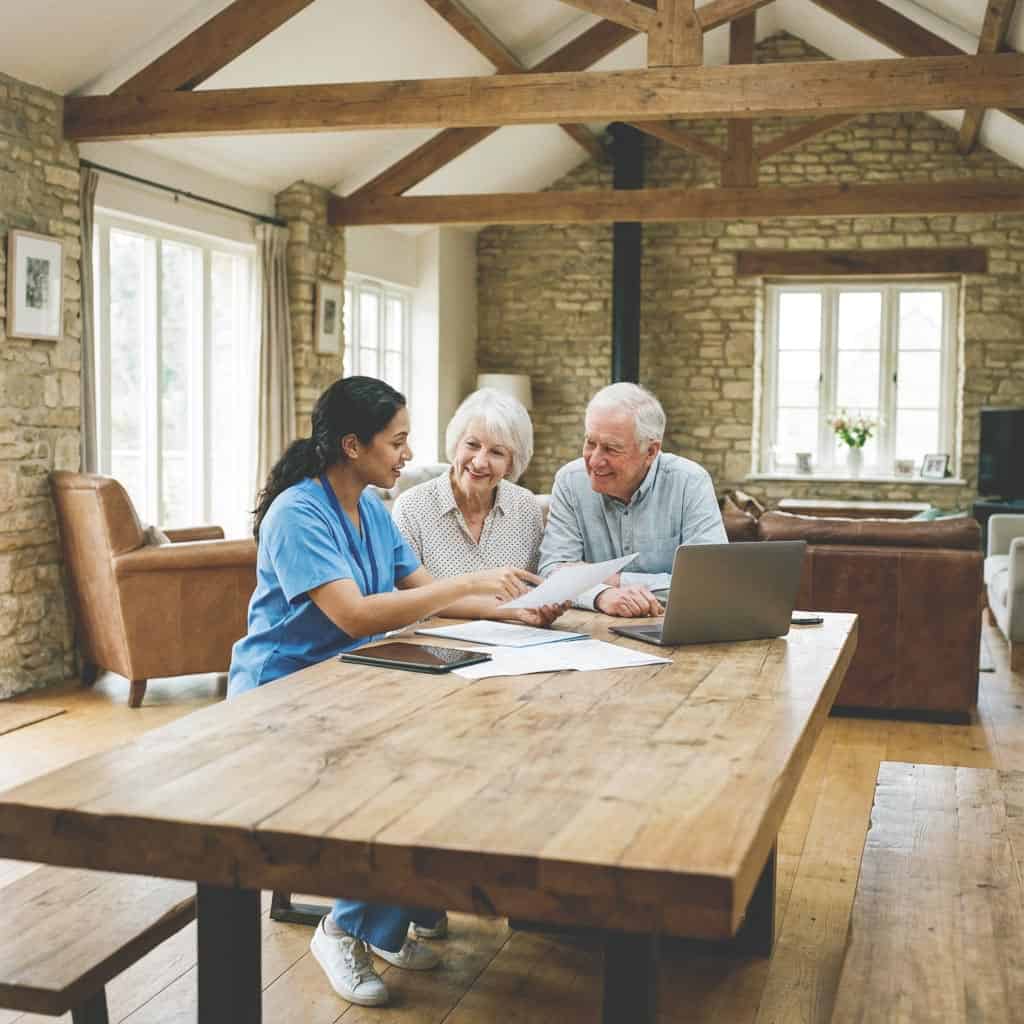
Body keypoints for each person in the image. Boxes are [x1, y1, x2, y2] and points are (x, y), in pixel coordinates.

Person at [228, 376, 565, 1009]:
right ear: (353, 446)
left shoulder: (372, 510)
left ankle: (384, 922)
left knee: (453, 756)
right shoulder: (298, 513)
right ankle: (345, 929)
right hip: (282, 694)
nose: (408, 455)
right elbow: (355, 615)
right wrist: (471, 584)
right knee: (407, 777)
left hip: (356, 678)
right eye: (398, 441)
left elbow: (419, 586)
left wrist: (509, 611)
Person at [539, 381, 727, 618]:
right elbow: (551, 572)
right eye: (590, 443)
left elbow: (709, 583)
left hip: (673, 629)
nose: (595, 460)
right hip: (593, 634)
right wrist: (601, 595)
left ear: (650, 451)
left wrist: (611, 579)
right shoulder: (570, 481)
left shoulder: (690, 482)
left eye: (611, 449)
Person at [392, 388, 543, 576]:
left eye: (497, 452)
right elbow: (408, 597)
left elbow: (536, 586)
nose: (479, 462)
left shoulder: (526, 507)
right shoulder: (411, 509)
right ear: (456, 444)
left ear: (511, 464)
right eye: (472, 444)